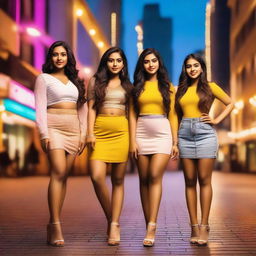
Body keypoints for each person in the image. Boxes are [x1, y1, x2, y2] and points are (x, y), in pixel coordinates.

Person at [175, 53, 234, 245]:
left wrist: (216, 120)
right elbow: (175, 114)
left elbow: (231, 103)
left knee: (204, 180)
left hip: (205, 134)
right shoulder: (181, 90)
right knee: (189, 181)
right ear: (185, 69)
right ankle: (193, 226)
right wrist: (175, 139)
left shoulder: (211, 87)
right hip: (184, 134)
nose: (192, 69)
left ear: (202, 68)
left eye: (196, 65)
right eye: (188, 66)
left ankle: (204, 225)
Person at [34, 41, 87, 247]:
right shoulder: (43, 79)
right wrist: (43, 133)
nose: (59, 58)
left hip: (73, 130)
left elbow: (82, 108)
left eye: (63, 54)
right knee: (58, 171)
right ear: (50, 58)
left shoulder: (76, 81)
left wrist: (83, 134)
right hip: (54, 127)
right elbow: (39, 107)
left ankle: (52, 221)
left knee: (63, 176)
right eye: (55, 54)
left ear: (68, 57)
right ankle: (55, 223)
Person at [129, 48, 178, 247]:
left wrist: (175, 142)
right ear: (142, 64)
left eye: (154, 61)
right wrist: (132, 140)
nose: (151, 64)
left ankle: (152, 224)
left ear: (159, 63)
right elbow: (132, 115)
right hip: (141, 132)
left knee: (155, 176)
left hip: (162, 133)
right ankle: (147, 220)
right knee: (143, 179)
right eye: (147, 61)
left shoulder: (168, 87)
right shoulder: (136, 87)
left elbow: (173, 115)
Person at [86, 47, 132, 246]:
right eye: (111, 60)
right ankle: (111, 217)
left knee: (118, 180)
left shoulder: (128, 86)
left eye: (118, 60)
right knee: (96, 177)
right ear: (105, 62)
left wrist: (133, 141)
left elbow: (131, 114)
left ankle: (114, 224)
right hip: (100, 132)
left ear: (123, 64)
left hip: (122, 133)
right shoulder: (95, 81)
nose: (114, 63)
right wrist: (89, 133)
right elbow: (90, 109)